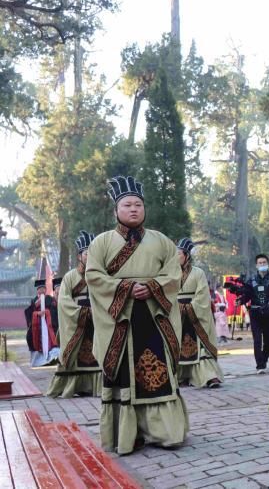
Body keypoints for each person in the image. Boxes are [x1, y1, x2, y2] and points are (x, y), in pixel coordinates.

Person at [86, 175, 188, 455]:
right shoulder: (102, 242)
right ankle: (126, 434)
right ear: (116, 210)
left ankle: (163, 432)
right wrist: (126, 288)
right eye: (128, 205)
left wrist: (153, 286)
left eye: (139, 205)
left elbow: (174, 273)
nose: (134, 209)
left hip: (154, 315)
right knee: (123, 374)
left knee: (157, 371)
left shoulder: (161, 241)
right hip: (120, 319)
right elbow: (93, 276)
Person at [46, 231, 102, 398]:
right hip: (78, 319)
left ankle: (96, 386)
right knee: (75, 354)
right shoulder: (70, 277)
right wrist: (82, 313)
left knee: (97, 352)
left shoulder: (100, 274)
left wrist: (99, 311)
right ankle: (73, 386)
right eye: (86, 253)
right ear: (79, 256)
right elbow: (63, 301)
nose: (89, 256)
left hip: (97, 319)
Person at [176, 238, 223, 388]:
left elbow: (203, 295)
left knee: (201, 346)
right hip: (177, 314)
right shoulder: (170, 274)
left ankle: (209, 376)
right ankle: (182, 376)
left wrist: (189, 307)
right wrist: (175, 307)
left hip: (196, 314)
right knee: (178, 345)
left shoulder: (198, 273)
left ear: (187, 255)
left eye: (178, 254)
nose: (175, 257)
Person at [244, 254, 269, 373]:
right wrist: (240, 300)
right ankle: (260, 365)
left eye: (264, 262)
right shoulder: (251, 280)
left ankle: (264, 360)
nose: (262, 264)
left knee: (268, 340)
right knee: (257, 340)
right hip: (255, 313)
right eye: (260, 263)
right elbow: (246, 295)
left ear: (268, 264)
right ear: (256, 265)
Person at [25, 279, 60, 367]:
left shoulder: (50, 299)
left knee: (53, 340)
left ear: (46, 289)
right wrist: (37, 314)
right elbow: (29, 312)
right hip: (38, 326)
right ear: (37, 290)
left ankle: (52, 359)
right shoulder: (34, 301)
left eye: (43, 288)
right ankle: (39, 361)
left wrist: (47, 313)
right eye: (40, 288)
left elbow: (54, 310)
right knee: (30, 337)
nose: (42, 290)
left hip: (50, 326)